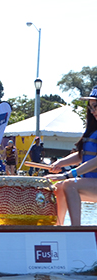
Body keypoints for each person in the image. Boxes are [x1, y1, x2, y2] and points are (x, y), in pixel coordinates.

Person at [46, 87, 97, 226]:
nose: (92, 112)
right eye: (91, 108)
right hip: (93, 184)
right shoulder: (93, 130)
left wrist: (68, 174)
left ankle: (76, 229)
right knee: (60, 187)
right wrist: (59, 163)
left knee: (69, 185)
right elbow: (83, 156)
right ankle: (59, 227)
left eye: (95, 107)